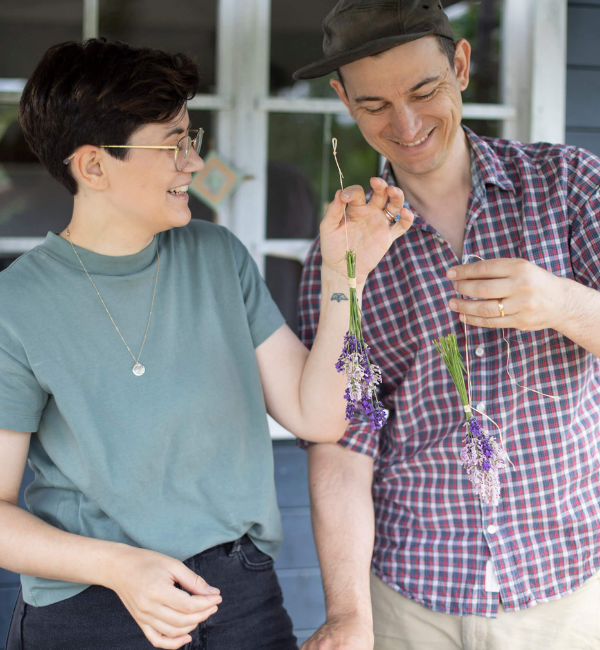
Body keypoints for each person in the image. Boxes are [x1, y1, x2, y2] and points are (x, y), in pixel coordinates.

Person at [0, 38, 413, 650]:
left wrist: (343, 276)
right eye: (173, 145)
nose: (192, 163)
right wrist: (119, 567)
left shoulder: (218, 256)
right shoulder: (17, 305)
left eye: (191, 140)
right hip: (95, 608)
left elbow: (319, 414)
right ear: (93, 167)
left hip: (238, 597)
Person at [294, 1, 600, 649]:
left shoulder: (569, 186)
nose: (404, 123)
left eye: (424, 89)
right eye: (374, 104)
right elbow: (343, 445)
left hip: (568, 587)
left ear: (460, 65)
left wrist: (563, 304)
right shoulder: (345, 248)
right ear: (343, 98)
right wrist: (349, 613)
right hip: (412, 597)